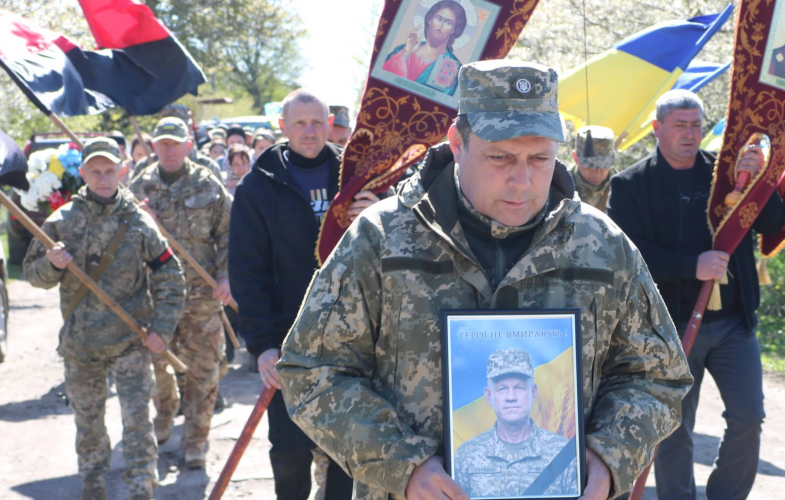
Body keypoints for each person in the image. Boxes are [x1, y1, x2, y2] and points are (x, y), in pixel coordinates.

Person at [276, 60, 693, 500]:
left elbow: (657, 376)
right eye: (500, 157)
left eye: (540, 158)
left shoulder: (602, 244)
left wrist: (609, 455)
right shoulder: (382, 239)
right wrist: (402, 464)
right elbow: (312, 370)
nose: (523, 179)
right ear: (458, 142)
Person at [607, 89, 785, 500]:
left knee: (748, 418)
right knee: (674, 428)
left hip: (733, 325)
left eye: (695, 126)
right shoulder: (631, 184)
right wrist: (692, 265)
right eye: (680, 126)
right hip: (670, 329)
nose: (689, 134)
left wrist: (761, 182)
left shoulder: (725, 173)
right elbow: (629, 255)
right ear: (657, 129)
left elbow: (772, 221)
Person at [229, 89, 382, 500]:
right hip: (288, 341)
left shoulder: (357, 177)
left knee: (346, 452)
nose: (310, 131)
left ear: (331, 124)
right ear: (282, 126)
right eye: (299, 123)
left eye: (318, 122)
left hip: (353, 340)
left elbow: (392, 254)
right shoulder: (257, 188)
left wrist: (379, 213)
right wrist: (261, 345)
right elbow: (248, 273)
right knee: (291, 452)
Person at [23, 137, 186, 500]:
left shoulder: (140, 223)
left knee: (137, 422)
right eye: (94, 171)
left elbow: (171, 278)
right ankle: (93, 485)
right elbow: (34, 276)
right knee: (89, 423)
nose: (102, 177)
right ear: (82, 173)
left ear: (122, 171)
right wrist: (52, 265)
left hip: (130, 341)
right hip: (81, 346)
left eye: (109, 170)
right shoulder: (61, 222)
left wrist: (161, 328)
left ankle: (141, 486)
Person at [129, 117, 232, 469]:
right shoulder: (137, 188)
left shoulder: (209, 185)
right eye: (163, 143)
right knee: (158, 365)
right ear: (154, 146)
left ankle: (196, 441)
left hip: (202, 296)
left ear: (189, 145)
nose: (169, 149)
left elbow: (229, 236)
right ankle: (165, 409)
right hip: (155, 297)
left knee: (204, 370)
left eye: (176, 143)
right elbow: (125, 242)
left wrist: (227, 276)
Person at [453, 349, 577, 497]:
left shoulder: (562, 451)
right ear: (488, 395)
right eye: (502, 389)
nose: (511, 397)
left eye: (519, 387)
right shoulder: (466, 455)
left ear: (533, 392)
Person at [381, 0, 466, 95]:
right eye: (439, 18)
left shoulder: (455, 69)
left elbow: (448, 103)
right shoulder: (404, 49)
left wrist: (449, 89)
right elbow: (381, 79)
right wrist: (404, 55)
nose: (440, 26)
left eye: (448, 23)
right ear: (430, 20)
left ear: (453, 30)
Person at [129, 104, 224, 183]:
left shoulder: (207, 166)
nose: (172, 134)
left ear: (190, 128)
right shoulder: (144, 166)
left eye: (179, 127)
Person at [569, 125, 614, 212]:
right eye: (590, 166)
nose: (597, 173)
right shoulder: (559, 186)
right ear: (575, 157)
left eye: (603, 166)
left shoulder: (623, 189)